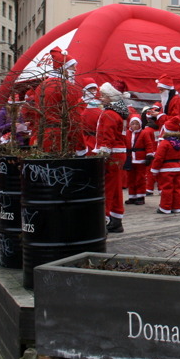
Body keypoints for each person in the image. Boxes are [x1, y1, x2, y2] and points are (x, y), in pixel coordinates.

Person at [34, 47, 87, 156]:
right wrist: (80, 146)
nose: (75, 70)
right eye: (72, 66)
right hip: (61, 138)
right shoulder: (66, 86)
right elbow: (74, 118)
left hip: (43, 136)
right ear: (64, 68)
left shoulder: (41, 86)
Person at [94, 82, 130, 233]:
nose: (101, 98)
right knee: (115, 188)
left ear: (110, 97)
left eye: (103, 95)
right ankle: (116, 219)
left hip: (111, 154)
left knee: (107, 188)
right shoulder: (120, 113)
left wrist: (103, 153)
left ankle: (105, 218)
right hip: (119, 153)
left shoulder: (109, 114)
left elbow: (107, 137)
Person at [150, 116, 180, 214]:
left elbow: (159, 157)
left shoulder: (165, 143)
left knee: (167, 188)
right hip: (178, 167)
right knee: (177, 188)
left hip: (166, 169)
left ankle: (165, 208)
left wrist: (154, 169)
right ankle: (176, 207)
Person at [125, 114, 155, 205]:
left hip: (140, 159)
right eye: (133, 124)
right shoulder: (127, 133)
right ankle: (132, 196)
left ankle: (140, 196)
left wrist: (149, 156)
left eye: (136, 124)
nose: (134, 126)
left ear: (140, 124)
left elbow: (149, 145)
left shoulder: (144, 133)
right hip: (130, 159)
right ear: (130, 125)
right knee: (130, 179)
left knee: (140, 178)